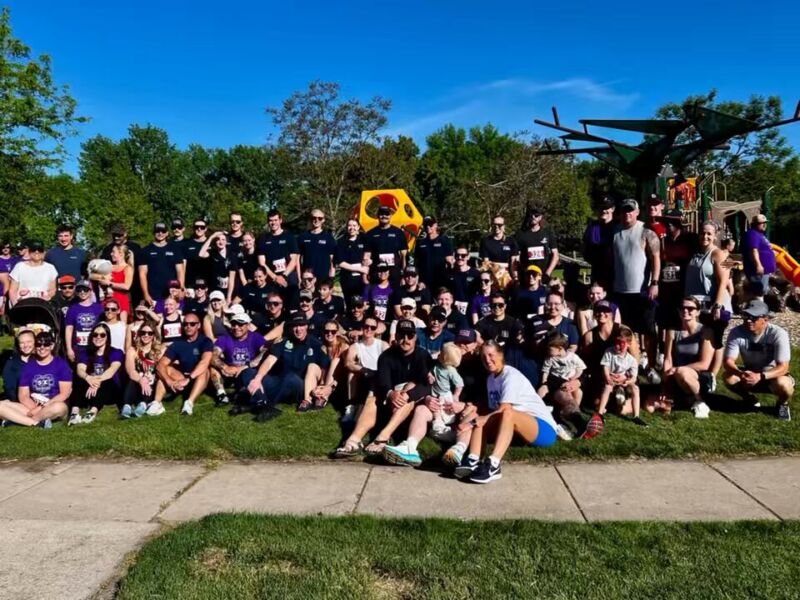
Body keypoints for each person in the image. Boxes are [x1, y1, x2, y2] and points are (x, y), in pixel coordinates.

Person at [454, 341, 558, 483]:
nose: (487, 360)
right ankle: (473, 459)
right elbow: (492, 410)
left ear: (501, 355)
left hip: (544, 429)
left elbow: (504, 408)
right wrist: (475, 410)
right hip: (518, 427)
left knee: (507, 413)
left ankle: (494, 464)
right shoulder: (491, 379)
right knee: (481, 418)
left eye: (491, 355)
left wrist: (471, 423)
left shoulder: (510, 376)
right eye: (484, 356)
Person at [337, 319, 433, 456]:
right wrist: (390, 393)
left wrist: (407, 394)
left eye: (410, 336)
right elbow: (383, 381)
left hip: (413, 404)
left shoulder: (423, 356)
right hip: (389, 401)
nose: (406, 339)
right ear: (396, 336)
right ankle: (353, 440)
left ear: (415, 337)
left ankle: (383, 437)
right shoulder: (386, 356)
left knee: (407, 395)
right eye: (402, 335)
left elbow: (426, 385)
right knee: (372, 398)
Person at [382, 341, 464, 467]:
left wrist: (457, 398)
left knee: (439, 406)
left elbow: (460, 386)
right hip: (435, 398)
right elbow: (427, 375)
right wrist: (427, 395)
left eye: (442, 353)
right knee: (420, 409)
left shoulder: (452, 371)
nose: (439, 354)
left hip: (450, 406)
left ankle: (443, 430)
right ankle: (410, 448)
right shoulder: (436, 364)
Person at [240, 314, 329, 419]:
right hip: (279, 380)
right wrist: (258, 379)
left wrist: (323, 387)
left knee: (291, 378)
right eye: (295, 326)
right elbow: (270, 361)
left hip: (298, 386)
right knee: (247, 372)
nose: (298, 329)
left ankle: (262, 403)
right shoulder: (285, 340)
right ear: (291, 327)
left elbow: (325, 367)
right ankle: (261, 402)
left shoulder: (315, 344)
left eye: (301, 325)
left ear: (306, 326)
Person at [611, 198, 661, 383]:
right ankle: (633, 367)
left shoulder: (646, 232)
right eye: (625, 210)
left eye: (631, 210)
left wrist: (654, 282)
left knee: (648, 331)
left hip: (642, 291)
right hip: (620, 291)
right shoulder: (615, 232)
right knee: (627, 332)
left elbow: (656, 258)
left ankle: (651, 367)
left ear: (637, 212)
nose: (627, 213)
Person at [723, 299, 793, 421]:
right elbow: (728, 361)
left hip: (772, 375)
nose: (749, 320)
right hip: (749, 373)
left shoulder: (778, 334)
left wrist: (760, 376)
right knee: (728, 377)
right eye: (746, 316)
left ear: (765, 319)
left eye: (754, 317)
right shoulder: (736, 332)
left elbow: (783, 367)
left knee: (784, 385)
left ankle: (782, 404)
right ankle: (750, 399)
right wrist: (740, 373)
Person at [685, 221, 732, 383]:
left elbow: (724, 281)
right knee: (701, 339)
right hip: (695, 303)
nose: (705, 236)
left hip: (712, 303)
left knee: (715, 340)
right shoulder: (695, 253)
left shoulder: (718, 254)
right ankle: (699, 370)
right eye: (703, 233)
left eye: (709, 234)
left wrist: (717, 305)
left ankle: (713, 374)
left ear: (715, 236)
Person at [657, 296, 714, 418]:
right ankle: (685, 397)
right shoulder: (672, 331)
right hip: (676, 375)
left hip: (699, 376)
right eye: (682, 308)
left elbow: (704, 364)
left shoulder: (705, 332)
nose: (685, 311)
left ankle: (700, 401)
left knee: (682, 372)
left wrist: (677, 369)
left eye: (690, 308)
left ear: (698, 312)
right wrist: (665, 385)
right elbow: (668, 359)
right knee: (653, 404)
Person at [0, 331, 71, 428]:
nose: (42, 347)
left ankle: (19, 420)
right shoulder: (29, 366)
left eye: (46, 344)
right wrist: (34, 408)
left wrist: (40, 408)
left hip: (53, 405)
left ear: (52, 346)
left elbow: (64, 394)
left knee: (59, 407)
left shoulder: (61, 365)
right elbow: (23, 396)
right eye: (38, 344)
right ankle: (36, 423)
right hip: (31, 406)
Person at [151, 313, 214, 416]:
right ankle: (157, 403)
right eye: (185, 324)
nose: (188, 326)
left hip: (198, 379)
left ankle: (189, 403)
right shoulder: (178, 343)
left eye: (192, 324)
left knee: (204, 370)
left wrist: (188, 379)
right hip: (182, 377)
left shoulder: (205, 341)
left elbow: (204, 362)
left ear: (198, 325)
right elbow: (160, 365)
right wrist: (169, 381)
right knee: (166, 369)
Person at [336, 314, 388, 434]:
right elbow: (348, 363)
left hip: (379, 378)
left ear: (376, 330)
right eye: (366, 326)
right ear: (362, 327)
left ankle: (361, 417)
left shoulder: (382, 345)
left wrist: (377, 374)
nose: (369, 329)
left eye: (372, 327)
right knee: (351, 373)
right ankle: (351, 406)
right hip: (364, 377)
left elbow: (390, 363)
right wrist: (365, 370)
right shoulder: (356, 346)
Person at [69, 323, 124, 425]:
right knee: (78, 379)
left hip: (109, 391)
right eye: (95, 335)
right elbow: (80, 370)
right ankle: (74, 413)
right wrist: (88, 378)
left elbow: (111, 371)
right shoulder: (85, 353)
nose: (98, 337)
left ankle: (92, 412)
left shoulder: (116, 352)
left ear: (107, 337)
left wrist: (96, 382)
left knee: (108, 381)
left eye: (102, 335)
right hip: (91, 391)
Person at [595, 326, 646, 427]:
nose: (617, 346)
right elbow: (605, 367)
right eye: (616, 343)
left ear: (628, 344)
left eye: (621, 344)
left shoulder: (631, 360)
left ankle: (636, 416)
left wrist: (627, 381)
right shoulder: (609, 352)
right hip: (611, 378)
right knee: (607, 387)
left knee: (635, 388)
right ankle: (600, 413)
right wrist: (608, 377)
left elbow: (634, 377)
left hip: (623, 380)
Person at [211, 311, 266, 406]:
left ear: (248, 325)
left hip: (248, 371)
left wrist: (246, 366)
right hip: (229, 372)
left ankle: (243, 393)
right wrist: (224, 367)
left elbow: (265, 352)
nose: (236, 327)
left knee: (251, 373)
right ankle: (222, 395)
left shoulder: (256, 337)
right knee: (213, 367)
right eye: (233, 324)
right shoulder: (224, 338)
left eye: (240, 324)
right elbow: (213, 356)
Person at [538, 332, 588, 437]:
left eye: (550, 349)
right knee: (541, 393)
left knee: (573, 397)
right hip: (553, 381)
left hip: (566, 381)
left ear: (560, 348)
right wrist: (544, 383)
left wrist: (574, 379)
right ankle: (538, 417)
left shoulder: (573, 357)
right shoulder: (550, 358)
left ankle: (579, 423)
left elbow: (581, 369)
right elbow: (545, 371)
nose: (548, 351)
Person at [657, 210, 697, 333]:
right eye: (667, 222)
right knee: (666, 322)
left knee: (683, 320)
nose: (669, 225)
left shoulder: (690, 239)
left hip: (684, 285)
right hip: (667, 286)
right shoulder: (664, 241)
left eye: (673, 222)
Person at [122, 322, 163, 418]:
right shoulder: (132, 350)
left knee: (150, 381)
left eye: (150, 333)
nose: (146, 335)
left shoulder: (159, 351)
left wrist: (149, 378)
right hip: (136, 381)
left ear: (154, 335)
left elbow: (161, 370)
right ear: (139, 334)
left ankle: (143, 404)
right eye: (143, 332)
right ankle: (126, 406)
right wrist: (141, 380)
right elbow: (130, 370)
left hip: (152, 382)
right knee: (132, 379)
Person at [139, 222, 184, 307]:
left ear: (167, 233)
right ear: (154, 232)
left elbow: (180, 271)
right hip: (152, 294)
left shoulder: (175, 249)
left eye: (163, 231)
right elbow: (142, 274)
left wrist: (181, 289)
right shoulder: (145, 251)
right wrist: (145, 294)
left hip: (172, 294)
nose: (160, 233)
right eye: (158, 231)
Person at [259, 209, 300, 302]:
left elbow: (294, 260)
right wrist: (275, 277)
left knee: (292, 306)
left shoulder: (289, 237)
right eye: (271, 220)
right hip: (271, 279)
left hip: (289, 278)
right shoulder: (263, 239)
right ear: (268, 222)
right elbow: (262, 262)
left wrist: (284, 276)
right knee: (273, 306)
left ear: (280, 220)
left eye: (275, 220)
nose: (273, 223)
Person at [309, 319, 350, 411]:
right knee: (312, 366)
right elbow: (322, 368)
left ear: (337, 332)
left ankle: (323, 396)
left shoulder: (344, 347)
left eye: (333, 331)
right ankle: (308, 398)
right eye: (326, 331)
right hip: (324, 378)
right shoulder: (322, 347)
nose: (329, 334)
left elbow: (345, 370)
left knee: (335, 361)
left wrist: (331, 385)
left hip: (338, 381)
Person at [365, 205, 408, 286]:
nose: (384, 216)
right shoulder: (370, 234)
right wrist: (365, 275)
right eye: (381, 214)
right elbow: (366, 256)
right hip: (377, 274)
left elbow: (404, 256)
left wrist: (404, 276)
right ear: (377, 216)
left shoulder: (398, 233)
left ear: (391, 215)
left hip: (395, 274)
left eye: (387, 214)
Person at [515, 207, 559, 281]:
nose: (533, 217)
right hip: (527, 276)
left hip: (544, 274)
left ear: (540, 217)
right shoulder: (521, 234)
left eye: (536, 215)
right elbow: (516, 257)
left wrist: (548, 273)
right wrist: (521, 273)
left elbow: (555, 255)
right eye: (531, 215)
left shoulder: (548, 233)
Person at [8, 240, 57, 306]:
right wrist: (15, 306)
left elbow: (52, 289)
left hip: (42, 306)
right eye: (33, 250)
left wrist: (48, 296)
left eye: (40, 250)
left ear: (44, 252)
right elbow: (12, 290)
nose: (37, 252)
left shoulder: (50, 268)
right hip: (22, 305)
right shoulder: (19, 266)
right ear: (29, 252)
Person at [64, 279, 103, 363]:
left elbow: (103, 328)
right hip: (78, 348)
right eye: (79, 290)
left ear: (90, 291)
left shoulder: (98, 308)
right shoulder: (72, 309)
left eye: (85, 289)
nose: (82, 292)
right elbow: (69, 329)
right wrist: (69, 349)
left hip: (95, 347)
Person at [582, 198, 616, 288]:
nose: (604, 210)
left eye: (607, 208)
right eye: (601, 208)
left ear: (612, 209)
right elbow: (585, 250)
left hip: (616, 274)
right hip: (597, 273)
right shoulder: (592, 227)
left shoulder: (618, 227)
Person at [335, 218, 369, 308]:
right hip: (347, 278)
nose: (351, 228)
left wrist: (368, 263)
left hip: (362, 278)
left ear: (358, 227)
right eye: (349, 225)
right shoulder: (341, 241)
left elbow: (369, 255)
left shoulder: (364, 238)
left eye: (354, 225)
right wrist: (359, 268)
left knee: (363, 303)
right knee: (350, 303)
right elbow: (340, 262)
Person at [741, 214, 775, 300]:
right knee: (758, 291)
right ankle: (755, 307)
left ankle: (757, 306)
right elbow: (753, 250)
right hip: (757, 271)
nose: (764, 225)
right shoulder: (753, 234)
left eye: (765, 223)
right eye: (762, 223)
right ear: (755, 224)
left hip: (764, 271)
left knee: (761, 291)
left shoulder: (760, 235)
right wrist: (758, 265)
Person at [414, 215, 454, 290]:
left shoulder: (444, 240)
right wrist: (418, 280)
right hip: (424, 282)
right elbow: (416, 263)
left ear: (436, 225)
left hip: (441, 281)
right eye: (426, 224)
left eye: (430, 224)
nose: (428, 227)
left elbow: (450, 262)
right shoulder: (420, 242)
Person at [297, 209, 337, 282]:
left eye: (320, 218)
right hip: (307, 277)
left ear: (323, 220)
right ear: (310, 219)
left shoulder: (329, 238)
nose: (316, 220)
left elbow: (332, 260)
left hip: (324, 278)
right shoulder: (302, 237)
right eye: (314, 218)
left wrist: (331, 276)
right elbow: (297, 259)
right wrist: (299, 277)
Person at [198, 231, 237, 302]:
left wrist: (229, 297)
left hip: (227, 290)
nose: (221, 242)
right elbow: (201, 254)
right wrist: (212, 237)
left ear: (226, 242)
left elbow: (232, 279)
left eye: (223, 239)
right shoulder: (212, 253)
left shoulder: (232, 256)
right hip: (214, 289)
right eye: (218, 239)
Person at [480, 215, 519, 283]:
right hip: (492, 278)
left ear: (504, 226)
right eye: (494, 225)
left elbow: (513, 263)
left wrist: (515, 277)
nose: (496, 227)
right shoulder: (486, 241)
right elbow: (486, 263)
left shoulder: (511, 241)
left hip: (508, 277)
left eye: (499, 225)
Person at [1, 329, 35, 401]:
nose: (25, 345)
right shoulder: (12, 363)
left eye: (29, 342)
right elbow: (10, 388)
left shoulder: (41, 360)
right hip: (18, 400)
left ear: (35, 342)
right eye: (22, 343)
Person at [446, 246, 479, 316]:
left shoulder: (476, 274)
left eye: (463, 255)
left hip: (471, 310)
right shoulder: (449, 274)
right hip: (453, 309)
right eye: (457, 255)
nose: (460, 257)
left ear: (468, 257)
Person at [181, 218, 211, 294]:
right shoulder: (186, 244)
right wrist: (182, 285)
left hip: (208, 286)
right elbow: (183, 266)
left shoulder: (212, 243)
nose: (199, 229)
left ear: (206, 229)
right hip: (190, 286)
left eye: (202, 227)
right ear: (193, 228)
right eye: (196, 227)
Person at [105, 244, 134, 322]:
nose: (111, 254)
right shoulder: (109, 266)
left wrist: (109, 284)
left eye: (113, 252)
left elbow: (127, 286)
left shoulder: (127, 268)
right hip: (108, 300)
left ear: (121, 253)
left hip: (121, 301)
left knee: (121, 325)